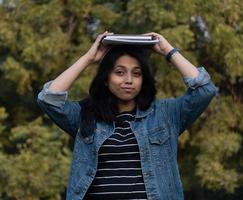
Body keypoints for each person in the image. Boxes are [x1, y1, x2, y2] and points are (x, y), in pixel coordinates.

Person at [37, 31, 217, 200]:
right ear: (106, 79)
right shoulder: (85, 115)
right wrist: (89, 58)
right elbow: (49, 99)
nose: (128, 80)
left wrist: (168, 51)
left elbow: (204, 90)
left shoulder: (165, 114)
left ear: (143, 79)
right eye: (119, 72)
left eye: (136, 74)